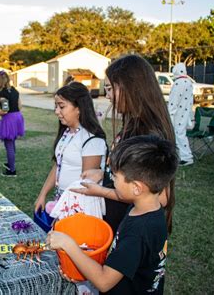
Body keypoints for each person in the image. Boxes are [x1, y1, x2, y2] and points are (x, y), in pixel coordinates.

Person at [47, 135, 178, 294]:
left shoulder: (137, 233)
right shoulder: (148, 207)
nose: (112, 180)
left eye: (115, 176)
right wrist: (99, 191)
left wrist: (68, 244)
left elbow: (103, 281)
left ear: (137, 187)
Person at [73, 54, 176, 235]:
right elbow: (132, 172)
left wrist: (102, 191)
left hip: (130, 230)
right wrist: (102, 174)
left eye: (112, 89)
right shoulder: (133, 122)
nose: (108, 96)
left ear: (131, 88)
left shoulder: (148, 133)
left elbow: (160, 197)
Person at [34, 82, 107, 215]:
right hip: (63, 200)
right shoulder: (67, 133)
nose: (57, 112)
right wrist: (42, 194)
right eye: (56, 106)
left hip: (79, 206)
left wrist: (66, 208)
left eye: (61, 106)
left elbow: (87, 184)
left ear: (79, 108)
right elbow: (58, 164)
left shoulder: (91, 140)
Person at [0, 70, 25, 177]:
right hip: (17, 117)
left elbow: (5, 110)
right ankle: (10, 163)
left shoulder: (3, 93)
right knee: (12, 142)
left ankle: (11, 171)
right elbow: (20, 106)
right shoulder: (14, 90)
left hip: (10, 118)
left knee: (8, 144)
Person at [168, 62, 194, 166]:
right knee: (180, 134)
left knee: (178, 134)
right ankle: (182, 156)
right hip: (185, 112)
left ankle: (186, 157)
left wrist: (169, 114)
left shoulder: (178, 83)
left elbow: (174, 101)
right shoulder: (188, 82)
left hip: (177, 115)